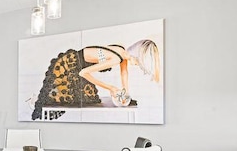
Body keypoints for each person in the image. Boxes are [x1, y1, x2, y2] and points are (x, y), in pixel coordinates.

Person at [31, 39, 161, 120]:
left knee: (87, 97)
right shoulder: (116, 58)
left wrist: (126, 94)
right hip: (69, 65)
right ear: (136, 57)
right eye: (138, 63)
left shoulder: (122, 50)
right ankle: (35, 100)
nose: (136, 65)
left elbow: (124, 73)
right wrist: (110, 88)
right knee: (63, 98)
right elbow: (83, 72)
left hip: (78, 66)